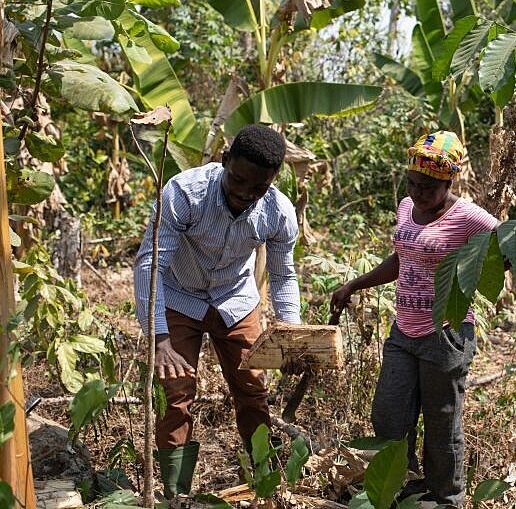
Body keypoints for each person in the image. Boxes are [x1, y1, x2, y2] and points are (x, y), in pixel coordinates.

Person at [330, 131, 497, 508]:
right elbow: (400, 259)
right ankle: (405, 484)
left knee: (441, 422)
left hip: (446, 333)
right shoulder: (407, 207)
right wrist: (354, 285)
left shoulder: (468, 216)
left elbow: (508, 246)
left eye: (428, 186)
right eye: (413, 183)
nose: (418, 192)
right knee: (388, 415)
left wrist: (472, 277)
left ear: (448, 181)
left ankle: (445, 497)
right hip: (403, 328)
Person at [134, 124, 301, 499]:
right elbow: (150, 264)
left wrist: (291, 333)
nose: (244, 194)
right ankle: (176, 493)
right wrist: (159, 338)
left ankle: (266, 484)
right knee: (175, 393)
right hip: (180, 295)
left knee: (252, 390)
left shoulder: (278, 212)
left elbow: (283, 273)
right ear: (224, 161)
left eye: (257, 188)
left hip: (235, 299)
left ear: (273, 180)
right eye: (237, 180)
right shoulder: (184, 193)